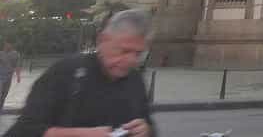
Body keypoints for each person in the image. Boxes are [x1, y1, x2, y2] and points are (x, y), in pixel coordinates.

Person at [5, 8, 153, 137]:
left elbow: (147, 123)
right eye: (124, 51)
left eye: (138, 54)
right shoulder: (65, 72)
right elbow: (23, 130)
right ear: (102, 40)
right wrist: (78, 134)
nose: (131, 60)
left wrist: (145, 131)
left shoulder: (135, 80)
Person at [0, 41, 21, 112]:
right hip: (1, 77)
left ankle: (0, 108)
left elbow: (17, 66)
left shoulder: (15, 54)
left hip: (9, 77)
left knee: (4, 94)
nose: (7, 46)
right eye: (6, 44)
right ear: (4, 45)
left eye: (9, 44)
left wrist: (18, 76)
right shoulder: (1, 53)